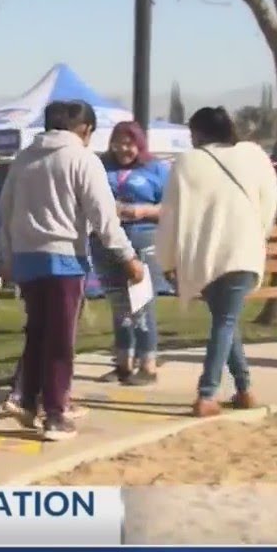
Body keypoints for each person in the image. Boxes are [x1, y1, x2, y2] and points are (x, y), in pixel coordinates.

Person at [0, 100, 146, 441]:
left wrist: (8, 256)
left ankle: (27, 399)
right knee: (60, 340)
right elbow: (103, 217)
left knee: (37, 333)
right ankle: (55, 414)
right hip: (64, 259)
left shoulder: (24, 159)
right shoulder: (82, 159)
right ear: (84, 129)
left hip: (26, 256)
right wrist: (128, 257)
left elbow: (5, 211)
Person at [156, 106, 277, 418]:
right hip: (244, 251)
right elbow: (269, 202)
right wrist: (259, 235)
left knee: (224, 320)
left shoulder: (187, 162)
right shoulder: (254, 155)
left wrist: (167, 261)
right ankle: (244, 388)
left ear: (198, 132)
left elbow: (170, 216)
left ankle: (207, 394)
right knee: (227, 321)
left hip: (204, 256)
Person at [93, 121, 172, 385]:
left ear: (139, 144)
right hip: (107, 240)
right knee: (119, 305)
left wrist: (142, 211)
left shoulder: (156, 169)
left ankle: (148, 364)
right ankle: (123, 363)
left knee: (141, 303)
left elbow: (172, 207)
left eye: (129, 144)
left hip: (143, 238)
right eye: (118, 143)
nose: (123, 149)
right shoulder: (101, 166)